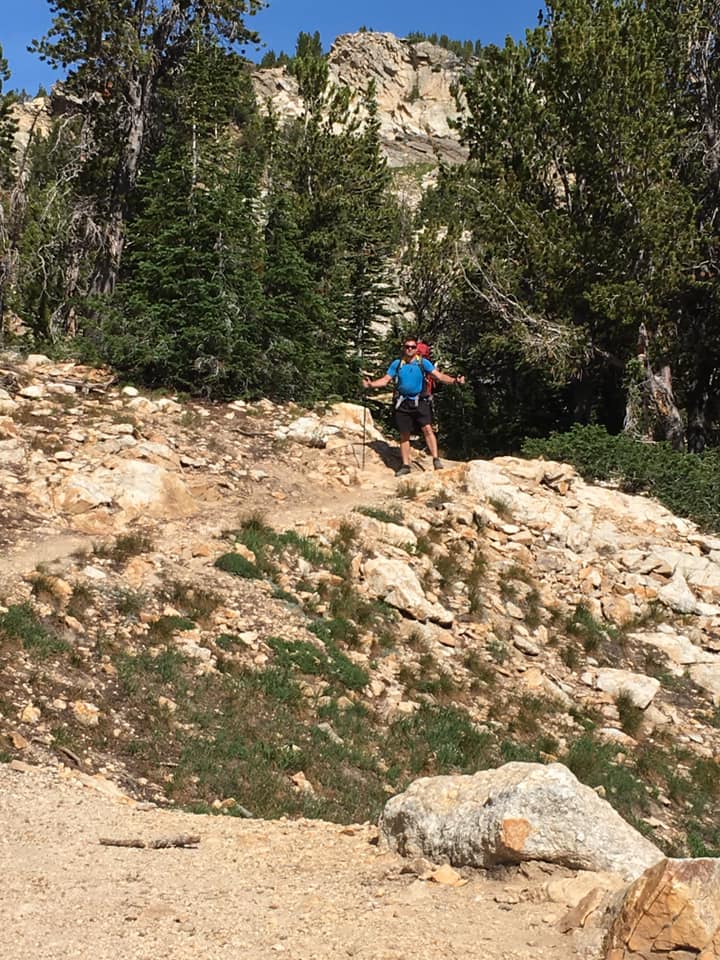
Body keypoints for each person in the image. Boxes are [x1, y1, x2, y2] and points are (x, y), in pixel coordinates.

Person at [362, 337, 465, 476]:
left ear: (416, 349)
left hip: (420, 401)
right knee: (404, 434)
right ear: (404, 348)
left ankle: (436, 459)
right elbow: (386, 380)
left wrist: (454, 381)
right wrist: (371, 385)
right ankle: (406, 465)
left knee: (427, 429)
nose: (409, 349)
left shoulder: (423, 363)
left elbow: (439, 376)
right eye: (407, 347)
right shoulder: (397, 364)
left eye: (412, 347)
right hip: (403, 402)